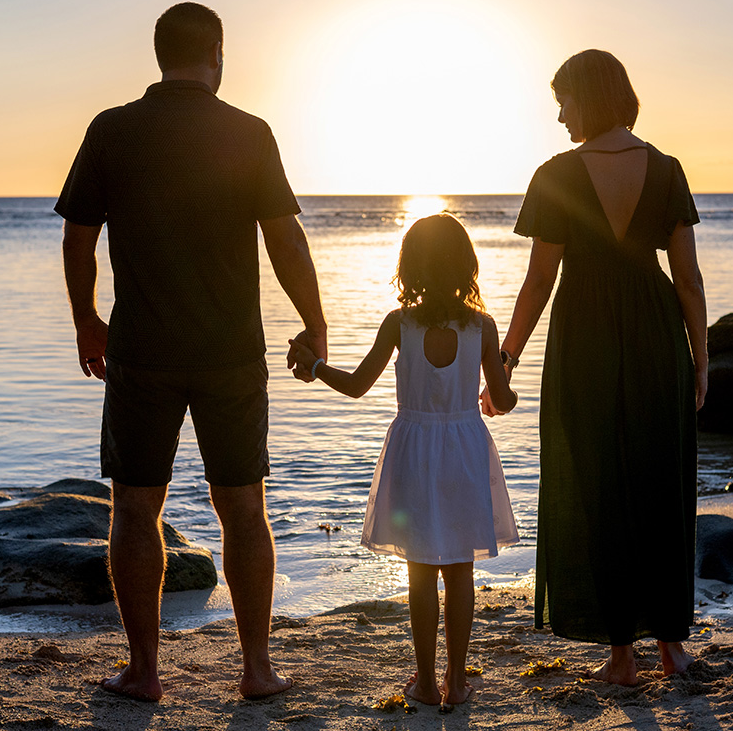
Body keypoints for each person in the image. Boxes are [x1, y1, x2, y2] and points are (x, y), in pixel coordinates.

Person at [56, 2, 327, 702]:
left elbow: (78, 238)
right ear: (217, 51)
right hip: (230, 350)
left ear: (158, 54)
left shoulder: (113, 130)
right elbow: (285, 239)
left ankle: (144, 671)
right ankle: (258, 668)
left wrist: (87, 319)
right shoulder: (247, 131)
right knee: (244, 507)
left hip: (142, 348)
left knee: (136, 507)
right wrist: (316, 320)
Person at [482, 49, 708, 686]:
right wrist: (700, 360)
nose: (558, 115)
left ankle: (619, 657)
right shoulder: (666, 169)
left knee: (596, 485)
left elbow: (538, 281)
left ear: (590, 97)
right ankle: (672, 647)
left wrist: (505, 362)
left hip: (583, 336)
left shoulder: (556, 173)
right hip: (656, 333)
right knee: (661, 487)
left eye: (564, 100)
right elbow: (687, 280)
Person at [287, 213, 519, 706]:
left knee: (420, 572)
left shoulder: (400, 324)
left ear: (410, 267)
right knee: (460, 570)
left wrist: (315, 365)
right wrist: (499, 386)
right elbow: (504, 399)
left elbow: (355, 386)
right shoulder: (483, 327)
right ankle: (458, 683)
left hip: (414, 452)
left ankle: (426, 682)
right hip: (464, 451)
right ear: (465, 266)